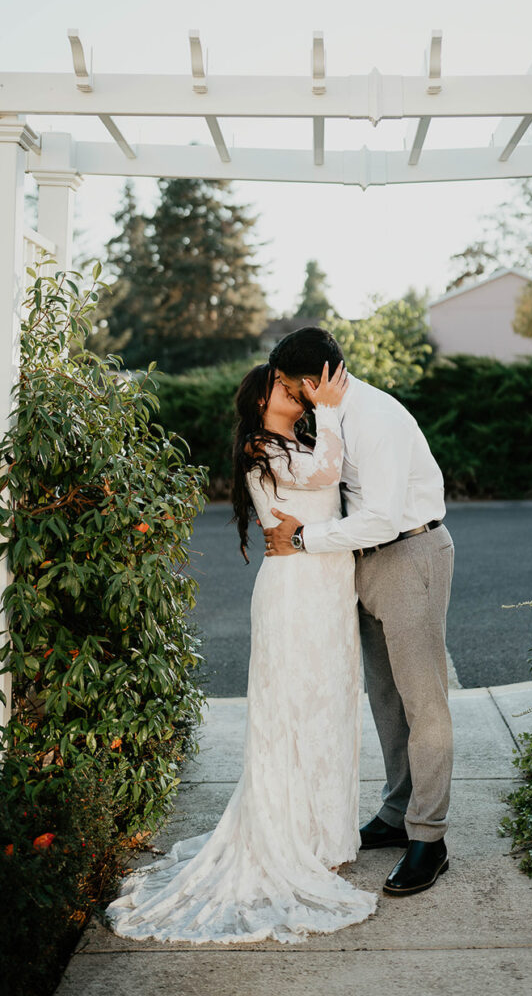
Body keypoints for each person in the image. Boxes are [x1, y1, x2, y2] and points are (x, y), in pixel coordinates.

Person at [103, 360, 377, 944]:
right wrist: (328, 409)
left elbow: (335, 480)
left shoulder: (302, 436)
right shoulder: (261, 446)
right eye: (286, 387)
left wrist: (323, 415)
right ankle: (289, 839)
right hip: (294, 592)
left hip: (329, 588)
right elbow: (327, 469)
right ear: (261, 400)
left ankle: (324, 836)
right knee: (293, 713)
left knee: (330, 708)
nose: (299, 393)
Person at [264, 326, 455, 898]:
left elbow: (384, 517)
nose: (279, 391)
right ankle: (398, 813)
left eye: (281, 383)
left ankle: (430, 838)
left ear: (307, 381)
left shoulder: (378, 418)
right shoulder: (330, 415)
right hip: (361, 564)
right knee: (385, 696)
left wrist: (302, 540)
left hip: (410, 552)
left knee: (424, 701)